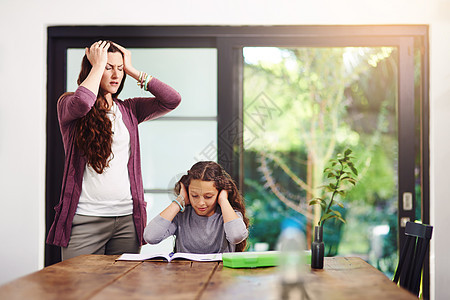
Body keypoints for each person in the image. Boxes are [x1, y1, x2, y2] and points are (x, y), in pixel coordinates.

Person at [46, 40, 181, 260]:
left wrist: (133, 70)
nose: (116, 75)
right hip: (83, 220)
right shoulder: (68, 104)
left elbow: (172, 100)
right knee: (80, 292)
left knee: (122, 290)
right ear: (93, 68)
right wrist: (97, 66)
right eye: (108, 67)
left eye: (119, 69)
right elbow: (83, 102)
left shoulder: (129, 109)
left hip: (127, 221)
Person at [144, 161, 249, 253]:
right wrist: (179, 200)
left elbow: (236, 236)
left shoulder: (230, 216)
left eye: (208, 196)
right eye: (194, 195)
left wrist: (223, 200)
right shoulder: (181, 216)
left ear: (220, 193)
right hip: (184, 273)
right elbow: (150, 237)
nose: (200, 203)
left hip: (220, 274)